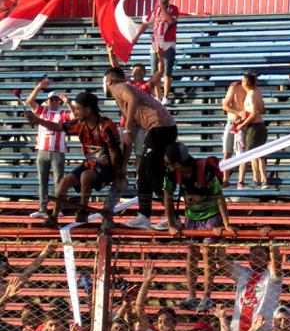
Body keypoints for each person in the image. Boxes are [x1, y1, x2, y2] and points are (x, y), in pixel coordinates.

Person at [25, 91, 125, 228]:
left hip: (108, 167)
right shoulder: (79, 124)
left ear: (88, 110)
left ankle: (83, 209)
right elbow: (58, 127)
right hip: (91, 164)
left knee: (85, 175)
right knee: (65, 180)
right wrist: (39, 121)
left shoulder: (106, 126)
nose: (75, 112)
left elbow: (115, 151)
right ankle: (54, 216)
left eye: (78, 108)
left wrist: (119, 174)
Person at [162, 142, 235, 312]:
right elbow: (167, 197)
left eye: (168, 163)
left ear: (178, 163)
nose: (166, 166)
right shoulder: (172, 174)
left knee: (208, 253)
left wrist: (226, 224)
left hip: (210, 216)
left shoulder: (205, 171)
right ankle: (192, 295)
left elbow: (219, 196)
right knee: (191, 255)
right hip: (192, 217)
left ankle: (207, 296)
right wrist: (171, 224)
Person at [103, 66, 178, 230]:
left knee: (151, 173)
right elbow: (131, 135)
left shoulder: (118, 86)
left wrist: (128, 128)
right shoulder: (122, 96)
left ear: (108, 80)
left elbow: (133, 100)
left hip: (160, 127)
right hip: (159, 129)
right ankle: (144, 215)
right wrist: (123, 165)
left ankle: (172, 217)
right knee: (144, 173)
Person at [24, 77, 71, 220]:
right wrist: (39, 87)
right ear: (48, 101)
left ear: (59, 101)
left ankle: (58, 209)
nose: (54, 101)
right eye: (52, 99)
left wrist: (69, 103)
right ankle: (43, 208)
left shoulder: (63, 113)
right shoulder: (43, 111)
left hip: (57, 150)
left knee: (59, 181)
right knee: (42, 181)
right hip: (43, 150)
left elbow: (75, 115)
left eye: (56, 99)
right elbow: (30, 101)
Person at [132, 0, 179, 103]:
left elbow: (171, 21)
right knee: (155, 71)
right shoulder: (155, 10)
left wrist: (163, 7)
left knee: (167, 71)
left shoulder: (173, 9)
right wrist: (137, 36)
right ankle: (158, 97)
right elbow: (146, 23)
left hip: (168, 42)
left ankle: (166, 97)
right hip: (156, 41)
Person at [231, 73, 268, 189]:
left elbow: (253, 114)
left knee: (253, 154)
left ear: (246, 83)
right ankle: (263, 179)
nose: (241, 83)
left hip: (254, 127)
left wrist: (242, 124)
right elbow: (263, 110)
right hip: (261, 125)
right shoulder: (258, 92)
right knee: (260, 154)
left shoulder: (251, 95)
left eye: (242, 81)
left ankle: (258, 179)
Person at [220, 80, 247, 186]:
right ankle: (225, 179)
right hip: (232, 123)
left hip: (243, 124)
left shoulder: (250, 90)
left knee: (242, 154)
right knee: (227, 152)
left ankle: (241, 181)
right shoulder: (234, 88)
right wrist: (238, 112)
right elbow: (225, 105)